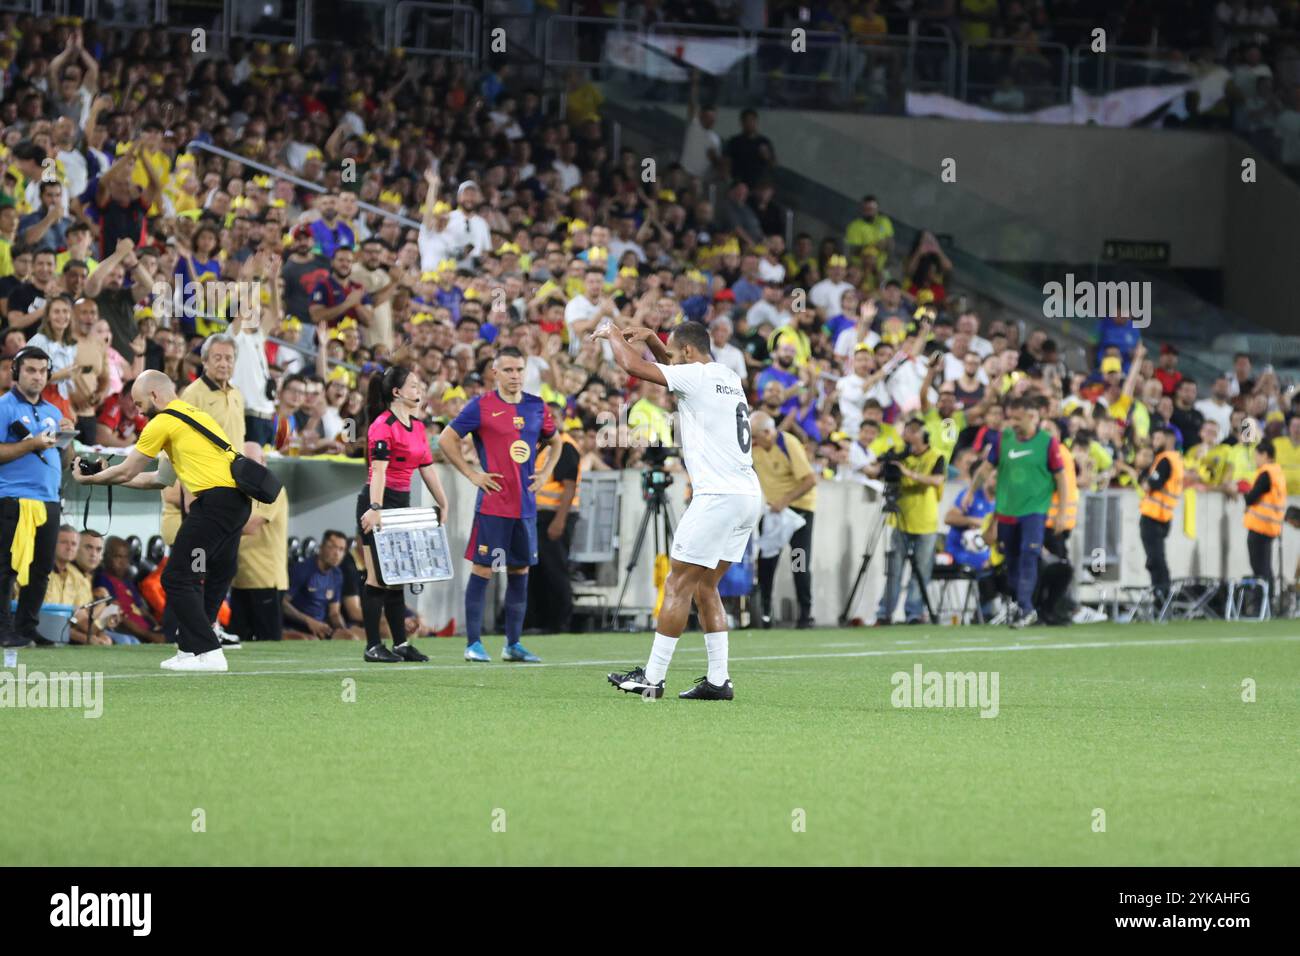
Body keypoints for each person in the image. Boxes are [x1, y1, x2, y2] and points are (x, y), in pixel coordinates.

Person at [597, 320, 762, 701]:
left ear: (686, 353)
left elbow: (634, 368)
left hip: (718, 496)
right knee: (706, 586)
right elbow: (672, 369)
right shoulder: (728, 376)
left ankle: (652, 678)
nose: (669, 359)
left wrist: (613, 335)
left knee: (677, 584)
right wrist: (656, 340)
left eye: (673, 352)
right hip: (747, 496)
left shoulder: (695, 377)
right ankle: (718, 680)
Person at [71, 370, 253, 673]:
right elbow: (159, 479)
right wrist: (107, 477)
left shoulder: (163, 421)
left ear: (155, 396)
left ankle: (209, 651)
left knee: (176, 577)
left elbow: (127, 470)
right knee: (198, 575)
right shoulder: (192, 416)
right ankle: (191, 649)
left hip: (216, 504)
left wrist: (90, 479)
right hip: (236, 502)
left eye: (140, 403)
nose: (139, 411)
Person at [439, 346, 562, 663]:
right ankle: (473, 643)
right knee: (483, 569)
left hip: (525, 506)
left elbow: (556, 440)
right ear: (495, 372)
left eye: (519, 369)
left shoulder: (537, 406)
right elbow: (446, 439)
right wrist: (472, 474)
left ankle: (513, 644)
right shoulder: (481, 406)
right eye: (508, 370)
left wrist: (545, 472)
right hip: (493, 505)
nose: (515, 376)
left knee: (519, 571)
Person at [357, 365, 449, 662]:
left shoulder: (418, 427)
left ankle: (400, 643)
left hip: (402, 505)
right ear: (396, 392)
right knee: (376, 578)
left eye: (420, 385)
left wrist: (443, 503)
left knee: (399, 576)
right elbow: (379, 472)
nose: (419, 390)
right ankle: (373, 645)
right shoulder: (382, 426)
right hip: (379, 503)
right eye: (412, 385)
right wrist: (375, 508)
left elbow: (427, 468)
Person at [0, 346, 76, 647]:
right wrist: (30, 445)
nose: (37, 376)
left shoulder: (53, 412)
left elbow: (65, 456)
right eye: (30, 370)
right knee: (6, 568)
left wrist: (68, 435)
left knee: (41, 568)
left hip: (48, 498)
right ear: (16, 373)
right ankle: (3, 629)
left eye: (42, 371)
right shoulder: (4, 406)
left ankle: (27, 627)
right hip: (12, 498)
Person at [983, 396, 1069, 628]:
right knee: (1011, 560)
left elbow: (1061, 478)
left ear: (1032, 416)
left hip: (1035, 511)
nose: (1012, 422)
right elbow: (988, 468)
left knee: (1029, 554)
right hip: (1008, 512)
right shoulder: (1005, 439)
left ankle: (1027, 608)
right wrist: (972, 492)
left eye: (1017, 418)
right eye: (1011, 418)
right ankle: (1022, 604)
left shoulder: (1047, 443)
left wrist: (1061, 511)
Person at [749, 409, 818, 629]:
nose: (752, 441)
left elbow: (809, 480)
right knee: (766, 563)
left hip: (798, 513)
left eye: (755, 436)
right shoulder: (755, 449)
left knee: (799, 563)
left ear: (768, 432)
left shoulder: (788, 444)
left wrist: (785, 501)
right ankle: (765, 615)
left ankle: (805, 615)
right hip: (774, 514)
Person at [874, 418, 945, 625]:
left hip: (925, 522)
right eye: (907, 430)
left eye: (914, 431)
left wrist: (908, 473)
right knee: (893, 570)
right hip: (900, 521)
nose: (909, 435)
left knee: (921, 571)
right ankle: (884, 613)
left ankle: (914, 613)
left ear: (923, 435)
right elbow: (878, 472)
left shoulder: (936, 456)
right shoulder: (900, 455)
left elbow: (936, 480)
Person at [528, 403, 582, 633]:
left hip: (555, 515)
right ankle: (541, 620)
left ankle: (560, 621)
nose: (549, 420)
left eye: (554, 416)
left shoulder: (565, 446)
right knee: (539, 570)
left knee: (555, 569)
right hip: (540, 515)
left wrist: (559, 521)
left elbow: (569, 487)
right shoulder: (543, 444)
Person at [229, 443, 289, 642]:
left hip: (264, 578)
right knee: (237, 643)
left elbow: (250, 526)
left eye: (253, 463)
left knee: (268, 643)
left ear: (264, 462)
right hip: (241, 577)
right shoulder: (240, 490)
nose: (248, 469)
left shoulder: (271, 489)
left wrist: (216, 523)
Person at [283, 530, 365, 641]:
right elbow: (283, 603)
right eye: (333, 547)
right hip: (296, 627)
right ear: (321, 548)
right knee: (311, 641)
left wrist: (342, 628)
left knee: (350, 637)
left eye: (341, 549)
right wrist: (309, 621)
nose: (337, 554)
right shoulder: (302, 569)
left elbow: (334, 613)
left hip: (321, 627)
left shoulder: (337, 574)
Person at [1138, 425, 1184, 610]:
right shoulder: (1176, 460)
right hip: (1164, 516)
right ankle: (1163, 599)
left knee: (1155, 561)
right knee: (1158, 559)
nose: (1154, 443)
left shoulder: (1165, 460)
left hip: (1153, 516)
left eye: (1158, 439)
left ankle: (1162, 601)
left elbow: (1151, 485)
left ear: (1169, 440)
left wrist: (1144, 479)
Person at [1242, 439, 1286, 611]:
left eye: (1257, 456)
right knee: (1266, 568)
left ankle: (1262, 606)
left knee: (1260, 569)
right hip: (1271, 527)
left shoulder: (1266, 473)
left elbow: (1251, 497)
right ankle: (1268, 605)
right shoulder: (1278, 473)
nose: (1255, 459)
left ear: (1265, 455)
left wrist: (1245, 490)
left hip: (1260, 527)